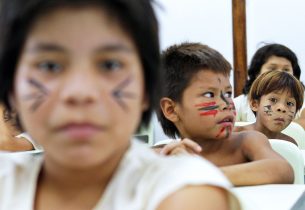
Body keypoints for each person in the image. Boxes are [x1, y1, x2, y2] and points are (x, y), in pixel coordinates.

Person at [0, 0, 240, 210]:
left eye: (110, 65)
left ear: (146, 88)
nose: (81, 93)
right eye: (49, 66)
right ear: (11, 88)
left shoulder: (183, 191)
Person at [157, 42, 294, 186]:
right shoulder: (167, 156)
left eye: (228, 93)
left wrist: (200, 173)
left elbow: (282, 170)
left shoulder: (247, 141)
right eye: (210, 94)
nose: (226, 104)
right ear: (171, 110)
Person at [233, 43, 305, 123]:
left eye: (286, 69)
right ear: (257, 72)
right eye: (272, 68)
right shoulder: (238, 104)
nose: (279, 74)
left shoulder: (303, 100)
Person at [233, 70, 304, 145]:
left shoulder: (289, 144)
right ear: (255, 104)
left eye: (289, 103)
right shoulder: (235, 136)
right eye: (273, 100)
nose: (282, 108)